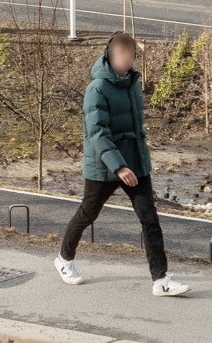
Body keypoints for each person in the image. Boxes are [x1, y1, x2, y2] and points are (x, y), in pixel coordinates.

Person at [55, 32, 189, 296]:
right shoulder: (97, 89)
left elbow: (136, 128)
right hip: (104, 165)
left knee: (149, 218)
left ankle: (160, 279)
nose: (126, 61)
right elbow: (97, 133)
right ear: (110, 56)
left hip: (134, 162)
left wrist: (139, 160)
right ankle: (64, 259)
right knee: (88, 213)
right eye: (121, 56)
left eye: (130, 56)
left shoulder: (132, 84)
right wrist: (118, 166)